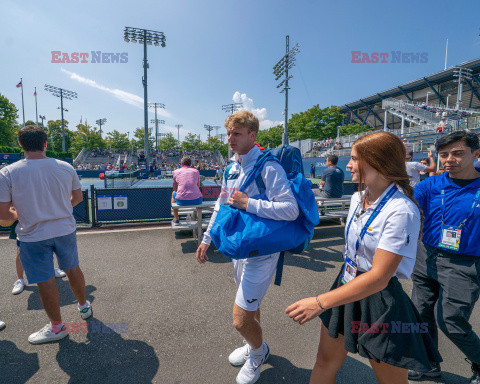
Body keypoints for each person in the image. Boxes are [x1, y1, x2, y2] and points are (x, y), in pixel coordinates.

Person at [285, 131, 441, 384]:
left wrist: (320, 302)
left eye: (356, 159)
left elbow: (379, 277)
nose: (348, 165)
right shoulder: (358, 197)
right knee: (324, 362)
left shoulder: (401, 210)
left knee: (391, 381)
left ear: (379, 162)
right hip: (346, 283)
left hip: (379, 299)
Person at [196, 111, 298, 384]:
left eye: (237, 133)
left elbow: (291, 210)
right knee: (250, 309)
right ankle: (255, 345)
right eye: (228, 133)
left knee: (240, 320)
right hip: (240, 249)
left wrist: (248, 203)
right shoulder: (231, 167)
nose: (230, 138)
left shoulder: (269, 166)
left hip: (262, 252)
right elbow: (220, 204)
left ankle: (258, 352)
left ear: (252, 136)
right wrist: (207, 238)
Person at [0, 125, 92, 345]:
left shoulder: (8, 172)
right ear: (45, 144)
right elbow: (77, 198)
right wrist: (59, 209)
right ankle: (84, 306)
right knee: (72, 268)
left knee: (45, 281)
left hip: (32, 235)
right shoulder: (65, 167)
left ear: (20, 144)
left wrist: (19, 214)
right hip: (64, 229)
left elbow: (4, 215)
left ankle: (57, 328)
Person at [409, 130, 480, 383]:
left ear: (476, 153)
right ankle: (428, 364)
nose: (449, 159)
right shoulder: (430, 185)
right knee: (420, 314)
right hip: (425, 255)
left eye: (458, 153)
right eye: (444, 154)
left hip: (465, 263)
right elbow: (405, 208)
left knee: (451, 321)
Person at [10, 219, 67, 295]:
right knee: (21, 250)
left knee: (47, 245)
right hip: (23, 221)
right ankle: (20, 279)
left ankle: (50, 270)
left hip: (42, 219)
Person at [171, 156, 203, 225]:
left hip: (181, 200)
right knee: (197, 193)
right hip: (197, 200)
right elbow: (198, 185)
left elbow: (174, 188)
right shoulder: (196, 171)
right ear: (190, 164)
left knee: (173, 193)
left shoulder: (175, 172)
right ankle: (198, 216)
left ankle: (176, 219)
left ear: (181, 164)